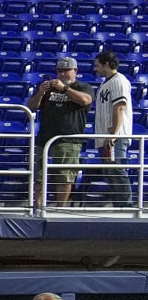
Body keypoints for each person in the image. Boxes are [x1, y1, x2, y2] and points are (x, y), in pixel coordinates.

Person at [31, 56, 94, 207]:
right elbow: (32, 107)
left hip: (68, 139)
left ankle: (60, 208)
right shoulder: (48, 88)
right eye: (60, 71)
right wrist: (40, 93)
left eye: (66, 71)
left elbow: (85, 100)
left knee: (64, 176)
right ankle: (37, 206)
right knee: (39, 175)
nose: (63, 74)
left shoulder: (83, 87)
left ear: (75, 71)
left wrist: (64, 88)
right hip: (45, 137)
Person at [94, 50, 135, 207]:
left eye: (97, 66)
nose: (95, 69)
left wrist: (113, 134)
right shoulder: (106, 82)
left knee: (116, 170)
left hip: (114, 137)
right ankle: (120, 206)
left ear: (106, 65)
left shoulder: (119, 80)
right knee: (110, 173)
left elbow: (119, 108)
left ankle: (127, 207)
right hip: (105, 136)